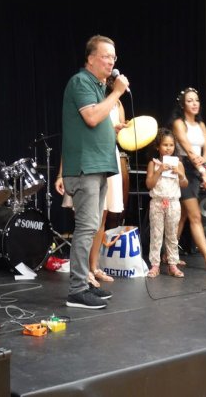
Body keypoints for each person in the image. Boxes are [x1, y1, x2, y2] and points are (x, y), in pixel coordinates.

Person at [57, 35, 130, 309]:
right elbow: (90, 117)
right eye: (106, 56)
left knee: (93, 226)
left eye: (114, 57)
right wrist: (117, 92)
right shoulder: (81, 82)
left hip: (99, 166)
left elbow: (96, 122)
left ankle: (85, 283)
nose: (111, 61)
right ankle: (77, 290)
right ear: (90, 58)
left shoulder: (98, 87)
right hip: (85, 167)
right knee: (86, 228)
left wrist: (112, 129)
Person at [171, 87, 206, 271]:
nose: (194, 104)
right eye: (190, 101)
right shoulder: (179, 123)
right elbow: (188, 149)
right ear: (182, 105)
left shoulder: (201, 124)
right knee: (195, 216)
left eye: (196, 100)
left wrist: (204, 161)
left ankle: (168, 255)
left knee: (183, 216)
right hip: (183, 169)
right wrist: (203, 171)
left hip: (196, 168)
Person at [145, 128, 188, 278]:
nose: (168, 148)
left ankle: (172, 264)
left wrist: (180, 174)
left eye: (171, 145)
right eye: (165, 145)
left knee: (172, 235)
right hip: (157, 202)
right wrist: (159, 170)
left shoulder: (178, 164)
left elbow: (184, 184)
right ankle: (155, 265)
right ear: (158, 146)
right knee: (156, 234)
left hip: (173, 203)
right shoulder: (153, 164)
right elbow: (149, 184)